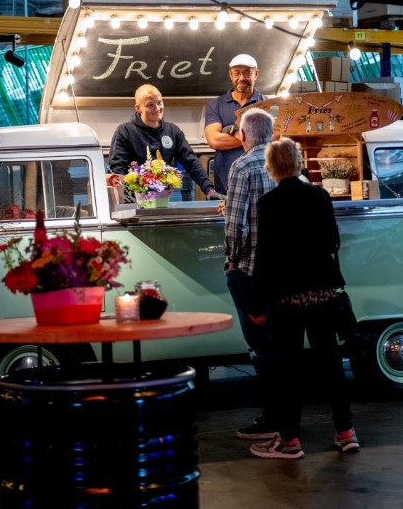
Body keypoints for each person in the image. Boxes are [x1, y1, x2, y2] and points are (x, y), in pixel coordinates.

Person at [247, 137, 359, 459]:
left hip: (287, 301)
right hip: (323, 295)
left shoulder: (268, 204)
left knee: (289, 371)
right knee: (331, 366)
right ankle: (346, 432)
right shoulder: (320, 195)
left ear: (271, 167)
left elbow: (264, 256)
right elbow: (333, 241)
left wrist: (256, 303)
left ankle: (290, 441)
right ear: (298, 163)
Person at [222, 107, 279, 440]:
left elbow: (235, 226)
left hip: (251, 272)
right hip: (283, 275)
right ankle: (285, 418)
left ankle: (273, 417)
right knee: (279, 346)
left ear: (243, 135)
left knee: (259, 347)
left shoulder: (242, 166)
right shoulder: (288, 164)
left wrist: (232, 259)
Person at [108, 84, 220, 199]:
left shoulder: (172, 131)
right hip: (132, 202)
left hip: (162, 200)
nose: (157, 108)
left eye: (159, 103)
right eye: (150, 105)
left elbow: (191, 163)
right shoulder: (124, 131)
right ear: (138, 108)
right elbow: (117, 170)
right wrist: (123, 200)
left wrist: (209, 190)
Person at [204, 53, 265, 196]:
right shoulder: (215, 105)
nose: (241, 78)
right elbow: (214, 140)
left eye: (247, 73)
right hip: (226, 185)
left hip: (261, 183)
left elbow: (274, 138)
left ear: (256, 74)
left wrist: (233, 132)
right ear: (230, 75)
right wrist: (254, 136)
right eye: (237, 73)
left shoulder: (267, 104)